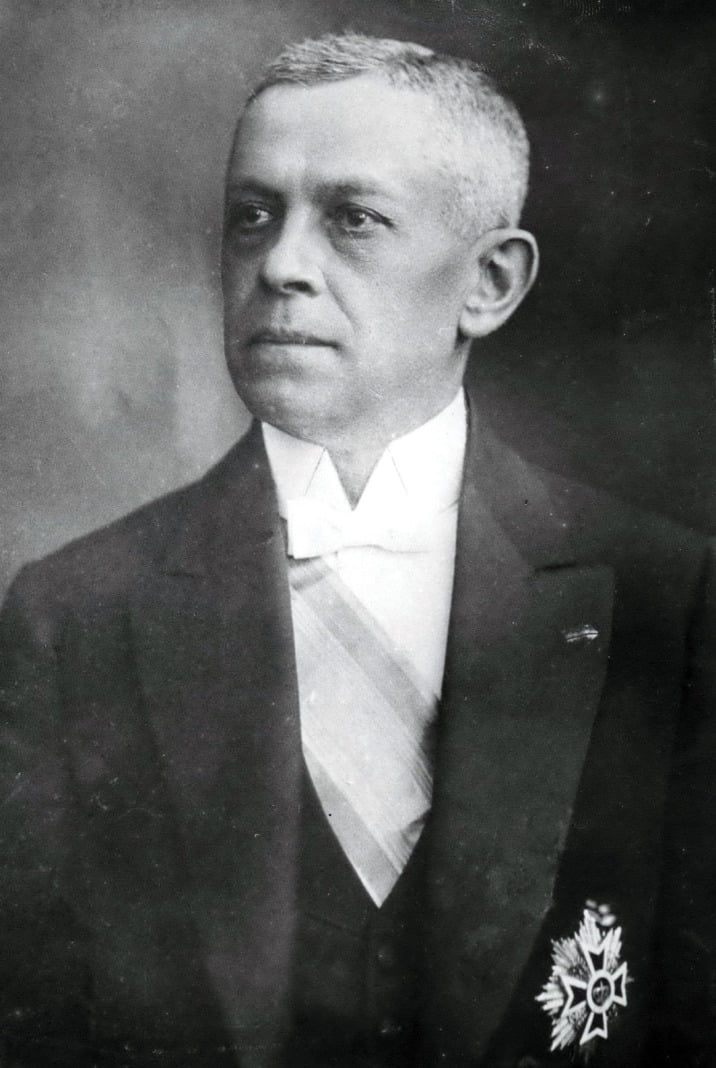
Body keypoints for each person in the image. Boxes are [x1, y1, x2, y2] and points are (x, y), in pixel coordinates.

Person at [0, 31, 714, 1068]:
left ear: (490, 281)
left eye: (353, 219)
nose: (281, 266)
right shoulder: (74, 613)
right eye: (253, 216)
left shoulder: (667, 597)